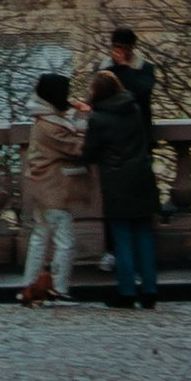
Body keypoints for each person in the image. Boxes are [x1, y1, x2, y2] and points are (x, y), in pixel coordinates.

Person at [81, 65, 161, 309]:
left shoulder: (99, 119)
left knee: (122, 237)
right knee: (145, 234)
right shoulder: (134, 109)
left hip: (116, 181)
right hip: (142, 176)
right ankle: (150, 290)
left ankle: (127, 291)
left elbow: (89, 153)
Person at [14, 71, 93, 305]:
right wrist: (87, 123)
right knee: (64, 240)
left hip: (42, 187)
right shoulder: (51, 126)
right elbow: (76, 148)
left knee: (39, 237)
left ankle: (29, 287)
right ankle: (57, 289)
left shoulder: (44, 119)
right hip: (53, 189)